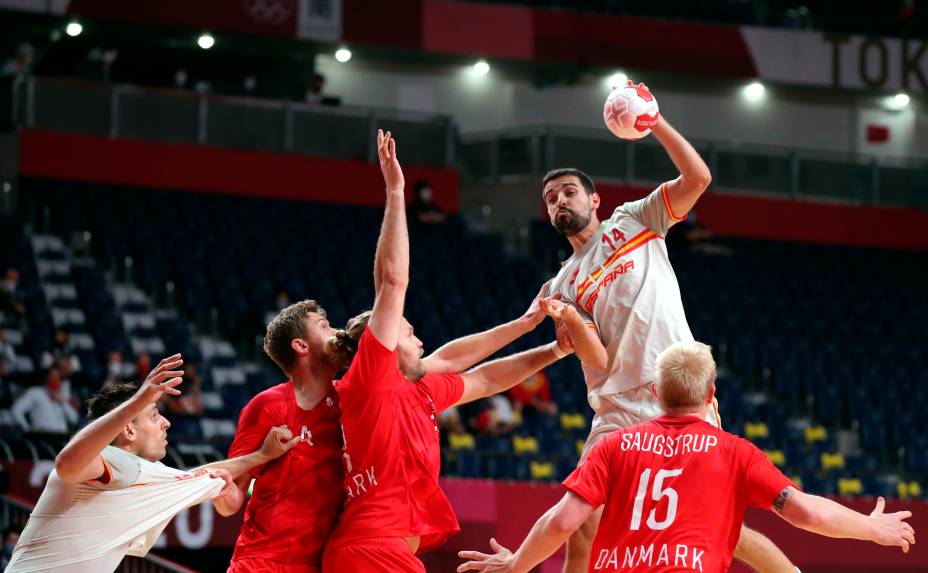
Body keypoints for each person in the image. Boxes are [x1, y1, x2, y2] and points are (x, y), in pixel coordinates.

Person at [535, 85, 793, 573]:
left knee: (721, 523)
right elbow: (597, 361)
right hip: (614, 408)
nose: (559, 202)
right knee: (581, 519)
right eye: (550, 199)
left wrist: (655, 123)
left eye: (568, 192)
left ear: (594, 198)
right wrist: (568, 318)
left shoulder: (634, 219)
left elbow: (698, 177)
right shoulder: (562, 284)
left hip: (676, 393)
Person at [321, 130, 574, 572]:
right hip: (371, 549)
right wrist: (396, 192)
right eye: (408, 330)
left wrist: (546, 343)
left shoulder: (415, 390)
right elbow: (392, 281)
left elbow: (480, 375)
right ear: (377, 343)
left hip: (387, 552)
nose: (419, 338)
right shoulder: (370, 378)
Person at [457, 341, 916, 573]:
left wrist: (518, 564)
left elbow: (562, 522)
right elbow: (806, 512)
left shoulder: (614, 447)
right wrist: (871, 529)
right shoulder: (737, 451)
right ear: (712, 394)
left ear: (656, 393)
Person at [6, 354, 299, 573]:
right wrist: (137, 401)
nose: (166, 422)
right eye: (154, 415)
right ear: (128, 430)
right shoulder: (107, 458)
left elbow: (190, 476)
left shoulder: (139, 472)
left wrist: (260, 457)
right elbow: (66, 465)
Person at [220, 299, 345, 573]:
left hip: (323, 565)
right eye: (325, 327)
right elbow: (232, 500)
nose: (338, 333)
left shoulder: (350, 400)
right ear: (301, 346)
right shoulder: (267, 406)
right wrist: (215, 484)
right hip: (261, 563)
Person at [11, 367, 79, 434]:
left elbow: (74, 419)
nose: (55, 380)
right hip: (43, 437)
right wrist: (27, 429)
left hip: (61, 438)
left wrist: (62, 402)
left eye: (59, 378)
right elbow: (16, 410)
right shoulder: (35, 392)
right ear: (46, 378)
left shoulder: (61, 398)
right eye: (52, 376)